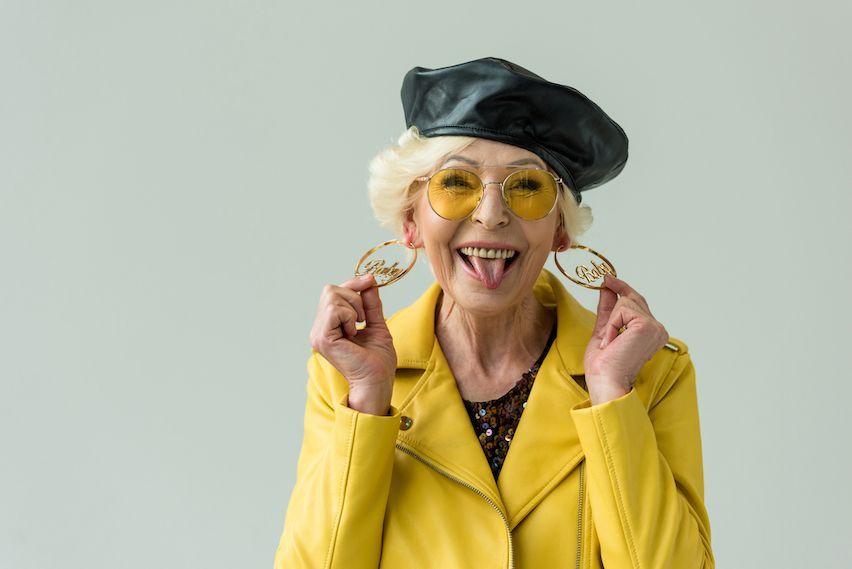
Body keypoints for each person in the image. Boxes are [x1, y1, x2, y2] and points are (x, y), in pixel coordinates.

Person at [273, 57, 714, 568]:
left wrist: (613, 399)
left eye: (527, 187)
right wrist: (368, 406)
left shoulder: (652, 373)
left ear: (560, 231)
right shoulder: (345, 378)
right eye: (456, 184)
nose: (490, 214)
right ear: (410, 222)